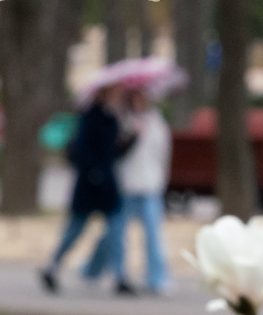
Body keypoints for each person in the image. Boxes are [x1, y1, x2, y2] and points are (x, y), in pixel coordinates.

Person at [41, 85, 136, 295]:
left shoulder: (113, 118)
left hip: (107, 184)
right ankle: (52, 267)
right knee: (75, 229)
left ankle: (120, 276)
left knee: (115, 230)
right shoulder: (90, 117)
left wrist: (132, 138)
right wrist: (94, 171)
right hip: (90, 183)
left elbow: (113, 152)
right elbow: (81, 150)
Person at [113, 87, 173, 294]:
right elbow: (117, 151)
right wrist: (132, 135)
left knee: (153, 234)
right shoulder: (123, 120)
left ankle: (157, 277)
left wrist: (161, 179)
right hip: (126, 184)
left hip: (149, 185)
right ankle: (117, 274)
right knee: (116, 233)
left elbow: (162, 153)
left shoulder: (156, 122)